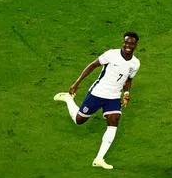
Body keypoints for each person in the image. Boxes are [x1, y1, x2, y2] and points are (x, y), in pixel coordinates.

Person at [52, 32, 141, 170]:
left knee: (114, 121)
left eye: (131, 43)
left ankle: (99, 159)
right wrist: (76, 83)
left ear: (135, 45)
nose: (128, 45)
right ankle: (68, 99)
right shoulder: (111, 54)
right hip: (98, 92)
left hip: (114, 97)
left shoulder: (135, 63)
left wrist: (126, 93)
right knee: (79, 120)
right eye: (126, 42)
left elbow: (128, 79)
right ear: (123, 43)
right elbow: (92, 65)